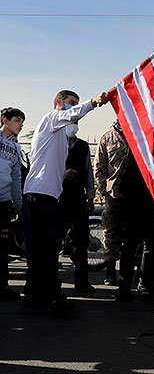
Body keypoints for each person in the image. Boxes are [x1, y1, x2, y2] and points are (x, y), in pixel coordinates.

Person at [22, 90, 108, 314]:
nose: (73, 110)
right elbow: (69, 115)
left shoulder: (59, 137)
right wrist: (93, 102)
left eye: (75, 105)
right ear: (58, 103)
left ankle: (34, 297)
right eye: (70, 104)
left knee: (42, 249)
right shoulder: (50, 119)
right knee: (48, 248)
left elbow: (48, 166)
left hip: (46, 196)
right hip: (39, 196)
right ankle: (53, 297)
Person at [95, 120, 154, 300]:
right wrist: (103, 191)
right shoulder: (108, 137)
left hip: (144, 197)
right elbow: (100, 165)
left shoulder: (143, 134)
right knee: (116, 237)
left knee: (146, 242)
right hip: (117, 196)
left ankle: (143, 281)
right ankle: (117, 279)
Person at [58, 123, 96, 294]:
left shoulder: (83, 146)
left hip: (78, 198)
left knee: (81, 243)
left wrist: (90, 196)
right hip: (58, 198)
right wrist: (63, 173)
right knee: (54, 240)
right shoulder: (55, 143)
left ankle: (82, 282)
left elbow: (89, 171)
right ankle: (52, 284)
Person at [0, 107, 25, 301]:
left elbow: (16, 177)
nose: (21, 124)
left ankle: (2, 287)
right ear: (5, 120)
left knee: (2, 248)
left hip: (4, 203)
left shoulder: (15, 148)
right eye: (17, 120)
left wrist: (18, 203)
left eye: (22, 121)